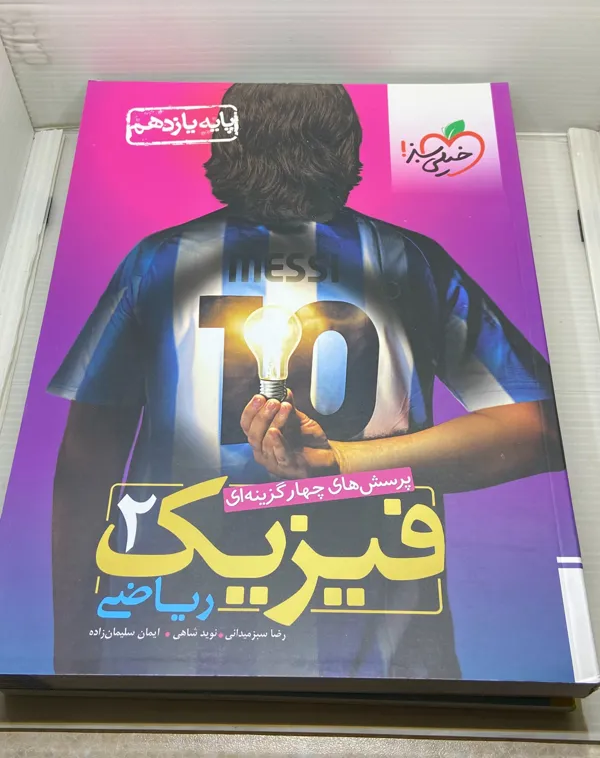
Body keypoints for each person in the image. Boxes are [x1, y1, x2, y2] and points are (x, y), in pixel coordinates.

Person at [49, 83, 563, 679]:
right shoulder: (408, 258)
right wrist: (347, 463)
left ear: (225, 143)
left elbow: (87, 463)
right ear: (347, 147)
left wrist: (72, 648)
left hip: (168, 643)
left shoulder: (161, 261)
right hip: (386, 647)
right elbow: (539, 427)